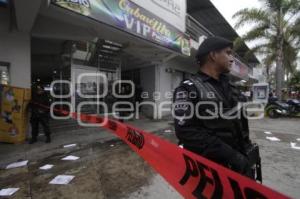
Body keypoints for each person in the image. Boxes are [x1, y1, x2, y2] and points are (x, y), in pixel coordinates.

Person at [173, 36, 261, 180]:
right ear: (213, 55)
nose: (232, 58)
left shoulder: (233, 88)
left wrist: (246, 153)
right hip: (211, 173)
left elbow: (240, 125)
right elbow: (186, 131)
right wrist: (232, 156)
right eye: (228, 53)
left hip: (241, 168)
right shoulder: (188, 88)